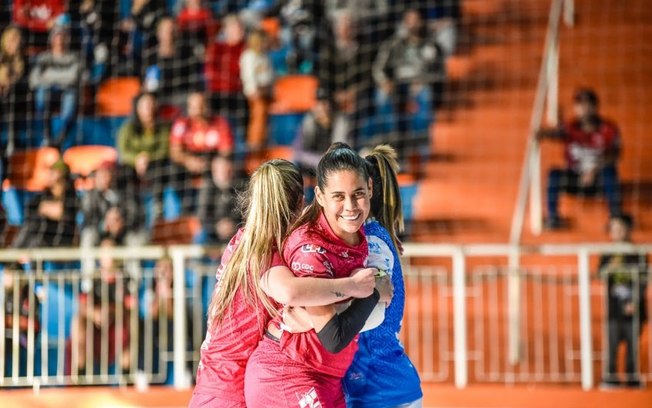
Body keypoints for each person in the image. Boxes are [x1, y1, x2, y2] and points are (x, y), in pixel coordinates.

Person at [189, 158, 378, 407]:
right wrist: (354, 287)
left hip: (213, 385)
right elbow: (290, 291)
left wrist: (310, 317)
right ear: (302, 201)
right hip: (231, 390)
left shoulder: (244, 240)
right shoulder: (265, 250)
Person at [245, 143, 393, 408]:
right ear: (320, 196)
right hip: (286, 373)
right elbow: (333, 337)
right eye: (338, 196)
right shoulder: (311, 248)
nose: (350, 206)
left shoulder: (358, 235)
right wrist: (371, 290)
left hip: (325, 377)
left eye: (358, 194)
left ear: (370, 187)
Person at [344, 144, 423, 407]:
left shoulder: (374, 242)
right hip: (375, 387)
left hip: (382, 390)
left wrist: (322, 322)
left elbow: (373, 313)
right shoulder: (370, 238)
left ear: (368, 192)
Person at [538, 88, 622, 229]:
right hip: (575, 179)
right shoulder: (570, 128)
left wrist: (593, 170)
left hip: (598, 181)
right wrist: (543, 131)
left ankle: (615, 218)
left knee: (610, 171)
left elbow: (615, 154)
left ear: (596, 106)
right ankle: (553, 218)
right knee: (554, 174)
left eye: (588, 104)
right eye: (580, 105)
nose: (584, 109)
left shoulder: (608, 129)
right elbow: (553, 134)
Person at [372, 8, 443, 171]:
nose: (412, 24)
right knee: (382, 96)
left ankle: (421, 148)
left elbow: (440, 74)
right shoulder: (394, 44)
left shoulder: (432, 45)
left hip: (419, 87)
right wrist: (385, 82)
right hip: (397, 87)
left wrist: (423, 81)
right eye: (409, 20)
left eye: (415, 19)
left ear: (422, 22)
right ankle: (391, 144)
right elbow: (378, 68)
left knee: (425, 95)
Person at [598, 214, 648, 388]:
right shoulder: (608, 254)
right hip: (613, 310)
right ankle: (610, 378)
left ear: (628, 230)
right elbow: (600, 274)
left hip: (634, 310)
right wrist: (611, 266)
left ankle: (632, 377)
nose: (616, 233)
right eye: (613, 229)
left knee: (632, 346)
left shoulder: (637, 253)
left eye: (619, 228)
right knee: (611, 345)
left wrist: (634, 301)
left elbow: (644, 280)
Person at [169, 92, 234, 213]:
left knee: (220, 171)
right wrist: (188, 161)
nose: (198, 110)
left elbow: (226, 151)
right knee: (173, 171)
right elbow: (174, 152)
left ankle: (205, 214)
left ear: (207, 106)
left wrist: (209, 163)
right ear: (189, 107)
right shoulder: (182, 124)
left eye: (201, 105)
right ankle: (185, 210)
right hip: (187, 163)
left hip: (210, 162)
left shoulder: (220, 123)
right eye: (194, 106)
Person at [116, 92, 171, 222]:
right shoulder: (127, 128)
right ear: (137, 108)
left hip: (155, 165)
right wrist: (137, 159)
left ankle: (158, 210)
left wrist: (147, 158)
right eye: (145, 105)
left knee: (162, 171)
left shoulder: (163, 127)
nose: (148, 108)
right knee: (123, 174)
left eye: (151, 104)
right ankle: (131, 210)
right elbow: (122, 152)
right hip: (132, 166)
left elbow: (165, 150)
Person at [29, 22, 81, 147]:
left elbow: (73, 78)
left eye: (63, 36)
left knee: (71, 102)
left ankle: (60, 139)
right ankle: (47, 137)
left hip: (68, 91)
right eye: (57, 36)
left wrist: (48, 75)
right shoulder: (43, 58)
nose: (60, 40)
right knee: (41, 95)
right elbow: (34, 80)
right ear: (52, 39)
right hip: (48, 91)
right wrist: (62, 76)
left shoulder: (74, 57)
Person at [11, 158, 78, 249]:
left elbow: (66, 213)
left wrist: (45, 208)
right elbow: (30, 212)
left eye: (52, 172)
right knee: (34, 229)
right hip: (43, 236)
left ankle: (14, 254)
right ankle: (14, 255)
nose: (49, 175)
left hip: (63, 238)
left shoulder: (70, 194)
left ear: (61, 174)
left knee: (35, 234)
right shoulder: (44, 195)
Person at [196, 154, 244, 244]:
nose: (227, 174)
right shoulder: (208, 188)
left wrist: (234, 225)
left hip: (236, 232)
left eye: (229, 171)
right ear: (215, 171)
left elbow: (246, 213)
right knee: (200, 237)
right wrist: (216, 227)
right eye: (223, 171)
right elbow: (202, 216)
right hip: (213, 234)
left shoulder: (240, 186)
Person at [240, 29, 274, 151]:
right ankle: (254, 142)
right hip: (255, 92)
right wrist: (254, 89)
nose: (266, 44)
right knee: (258, 115)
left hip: (266, 90)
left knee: (265, 116)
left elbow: (270, 74)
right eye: (263, 41)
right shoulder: (249, 56)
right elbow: (248, 75)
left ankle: (264, 139)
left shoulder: (265, 56)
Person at [0, 26, 28, 150]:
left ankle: (12, 140)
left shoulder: (24, 59)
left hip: (16, 95)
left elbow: (23, 79)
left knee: (10, 95)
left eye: (17, 40)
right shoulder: (1, 58)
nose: (14, 44)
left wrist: (9, 83)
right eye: (12, 40)